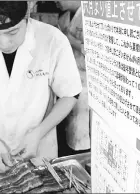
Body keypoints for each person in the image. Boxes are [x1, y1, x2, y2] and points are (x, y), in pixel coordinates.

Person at [0, 1, 82, 192]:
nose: (5, 43)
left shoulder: (52, 39)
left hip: (39, 145)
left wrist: (38, 133)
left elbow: (70, 94)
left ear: (27, 16)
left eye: (13, 32)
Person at [56, 1, 91, 154]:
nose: (56, 1)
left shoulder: (90, 11)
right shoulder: (64, 16)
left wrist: (67, 38)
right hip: (70, 76)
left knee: (82, 131)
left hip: (87, 80)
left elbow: (90, 48)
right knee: (70, 128)